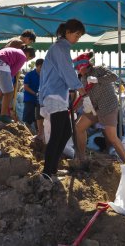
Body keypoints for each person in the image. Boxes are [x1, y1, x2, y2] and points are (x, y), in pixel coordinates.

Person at [39, 19, 90, 180]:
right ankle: (47, 172)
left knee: (66, 131)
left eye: (79, 36)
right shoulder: (60, 47)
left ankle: (52, 169)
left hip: (57, 94)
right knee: (57, 134)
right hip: (53, 94)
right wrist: (80, 89)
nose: (77, 39)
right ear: (67, 32)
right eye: (76, 35)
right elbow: (67, 70)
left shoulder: (61, 47)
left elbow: (64, 72)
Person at [74, 52, 125, 164]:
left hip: (108, 106)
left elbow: (114, 77)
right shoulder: (83, 78)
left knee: (112, 136)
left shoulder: (99, 69)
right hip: (93, 108)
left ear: (84, 66)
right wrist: (74, 108)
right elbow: (83, 95)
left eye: (78, 69)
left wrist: (97, 79)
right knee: (78, 127)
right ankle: (82, 156)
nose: (78, 71)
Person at [0, 47, 35, 123]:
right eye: (29, 59)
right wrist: (12, 85)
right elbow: (12, 73)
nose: (26, 61)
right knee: (8, 93)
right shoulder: (23, 56)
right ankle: (3, 115)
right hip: (0, 66)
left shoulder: (13, 50)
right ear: (27, 54)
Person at [23, 58, 43, 135]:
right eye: (41, 67)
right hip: (29, 99)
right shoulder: (29, 74)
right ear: (37, 66)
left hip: (40, 101)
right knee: (27, 119)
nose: (43, 69)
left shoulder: (44, 75)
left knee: (38, 119)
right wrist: (35, 93)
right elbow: (26, 87)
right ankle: (25, 134)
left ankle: (38, 135)